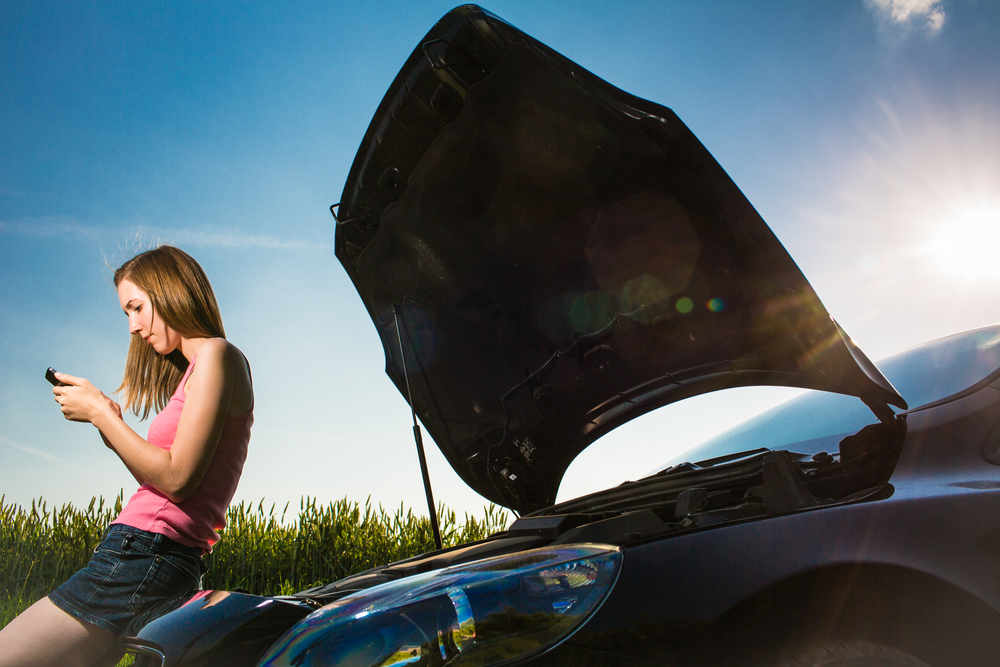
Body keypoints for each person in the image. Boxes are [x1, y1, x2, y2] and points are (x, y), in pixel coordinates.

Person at [0, 246, 254, 667]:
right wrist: (112, 427)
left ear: (170, 291)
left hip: (145, 555)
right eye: (126, 314)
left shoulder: (217, 355)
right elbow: (167, 479)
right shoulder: (199, 368)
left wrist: (102, 416)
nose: (134, 327)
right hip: (152, 556)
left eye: (137, 307)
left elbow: (177, 479)